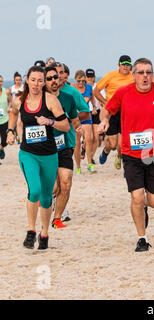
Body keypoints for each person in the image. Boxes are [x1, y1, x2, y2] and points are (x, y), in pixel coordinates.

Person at [98, 58, 154, 252]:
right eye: (141, 72)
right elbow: (107, 110)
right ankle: (142, 238)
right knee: (136, 197)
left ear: (153, 75)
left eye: (148, 72)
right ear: (134, 75)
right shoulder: (123, 93)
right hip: (130, 153)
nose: (145, 76)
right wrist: (104, 121)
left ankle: (144, 209)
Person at [6, 65, 70, 250]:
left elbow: (65, 125)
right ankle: (31, 231)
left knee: (46, 197)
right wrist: (11, 131)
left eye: (40, 81)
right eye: (33, 80)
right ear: (27, 80)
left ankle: (44, 234)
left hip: (49, 155)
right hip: (28, 153)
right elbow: (13, 113)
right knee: (34, 190)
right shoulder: (20, 100)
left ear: (44, 83)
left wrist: (49, 121)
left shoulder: (50, 100)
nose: (36, 84)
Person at [44, 66, 83, 229]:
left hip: (64, 146)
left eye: (56, 77)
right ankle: (45, 205)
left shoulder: (68, 98)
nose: (54, 80)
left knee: (66, 183)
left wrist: (80, 133)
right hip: (45, 148)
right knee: (54, 187)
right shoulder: (40, 99)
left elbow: (75, 121)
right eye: (50, 78)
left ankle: (57, 218)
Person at [94, 55, 134, 170]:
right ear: (119, 65)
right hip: (111, 112)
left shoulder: (134, 77)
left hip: (126, 112)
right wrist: (105, 102)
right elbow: (96, 91)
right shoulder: (110, 76)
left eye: (128, 64)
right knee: (112, 144)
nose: (126, 66)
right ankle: (106, 151)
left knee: (121, 146)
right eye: (123, 64)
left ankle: (120, 157)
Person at [73, 70, 96, 174]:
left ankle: (90, 163)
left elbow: (92, 97)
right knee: (77, 143)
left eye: (83, 80)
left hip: (86, 115)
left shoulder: (89, 87)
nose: (81, 83)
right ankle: (78, 167)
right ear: (75, 80)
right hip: (76, 117)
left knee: (89, 139)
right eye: (79, 81)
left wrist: (94, 107)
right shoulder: (73, 89)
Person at [85, 68, 102, 163]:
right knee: (89, 138)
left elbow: (101, 99)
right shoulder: (83, 87)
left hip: (96, 113)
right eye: (88, 77)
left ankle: (90, 156)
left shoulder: (97, 87)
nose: (90, 79)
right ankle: (89, 158)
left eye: (92, 77)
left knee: (96, 138)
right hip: (86, 113)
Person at [0, 75, 12, 162]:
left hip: (4, 119)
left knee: (5, 140)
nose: (0, 83)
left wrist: (9, 107)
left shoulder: (6, 91)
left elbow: (11, 101)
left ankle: (1, 148)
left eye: (1, 81)